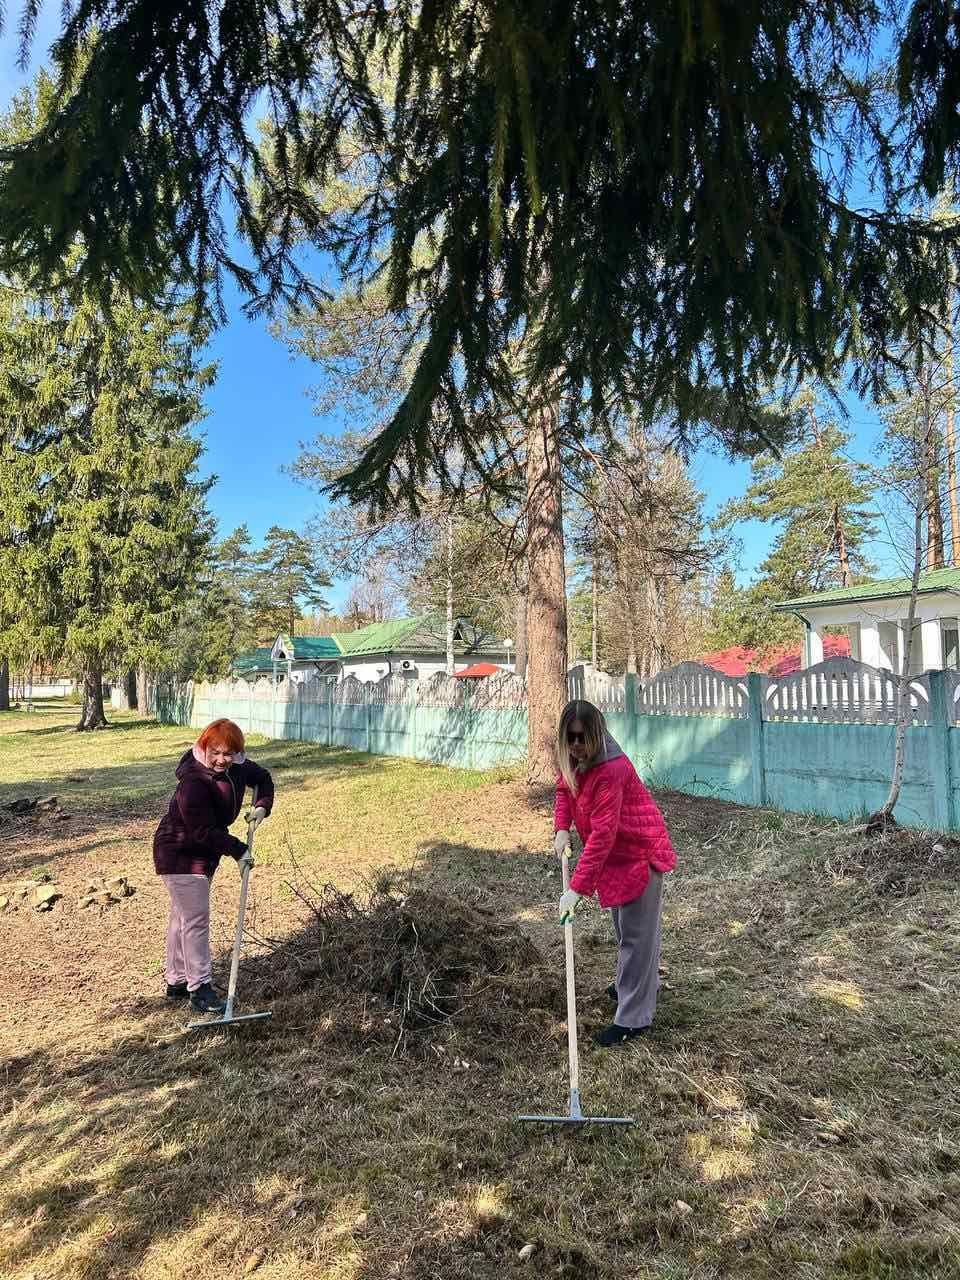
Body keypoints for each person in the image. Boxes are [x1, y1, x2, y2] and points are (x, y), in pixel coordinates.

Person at [554, 698, 676, 1047]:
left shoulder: (611, 770)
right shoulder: (575, 761)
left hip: (639, 854)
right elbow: (564, 790)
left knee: (638, 939)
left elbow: (603, 836)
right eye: (570, 738)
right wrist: (561, 828)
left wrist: (576, 890)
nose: (576, 745)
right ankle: (635, 983)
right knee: (627, 932)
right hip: (618, 858)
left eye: (583, 738)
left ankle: (633, 1019)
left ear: (597, 735)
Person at [153, 718, 274, 1014]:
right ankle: (200, 988)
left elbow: (263, 778)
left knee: (182, 917)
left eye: (228, 754)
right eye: (215, 752)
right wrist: (239, 850)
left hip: (203, 853)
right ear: (204, 747)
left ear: (237, 753)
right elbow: (202, 831)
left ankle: (177, 980)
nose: (221, 760)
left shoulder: (238, 767)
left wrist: (261, 806)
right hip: (179, 852)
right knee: (195, 919)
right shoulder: (193, 782)